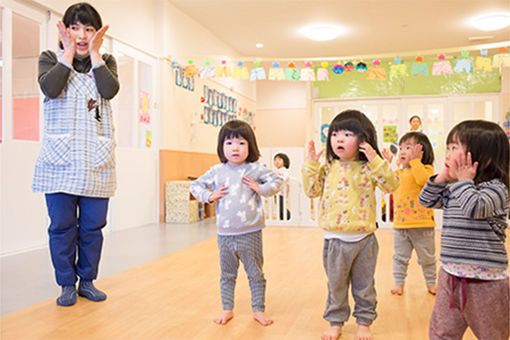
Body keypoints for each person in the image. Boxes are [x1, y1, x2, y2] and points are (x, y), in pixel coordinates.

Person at [32, 3, 119, 307]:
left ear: (98, 33)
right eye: (75, 28)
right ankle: (66, 284)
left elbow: (109, 91)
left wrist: (95, 56)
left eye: (89, 29)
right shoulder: (49, 59)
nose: (82, 35)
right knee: (61, 227)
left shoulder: (105, 62)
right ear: (65, 30)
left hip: (96, 161)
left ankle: (88, 281)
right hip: (60, 161)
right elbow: (51, 89)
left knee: (93, 227)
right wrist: (67, 54)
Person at [302, 110, 399, 340]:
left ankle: (364, 322)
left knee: (364, 285)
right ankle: (335, 321)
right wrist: (310, 164)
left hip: (364, 240)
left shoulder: (369, 167)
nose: (339, 139)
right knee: (336, 285)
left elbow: (391, 186)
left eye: (347, 134)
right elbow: (311, 190)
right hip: (334, 240)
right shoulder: (328, 167)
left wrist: (377, 160)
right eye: (335, 134)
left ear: (363, 139)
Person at [419, 120, 509, 340]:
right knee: (441, 332)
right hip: (450, 275)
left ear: (484, 157)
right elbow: (426, 200)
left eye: (455, 148)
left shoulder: (498, 189)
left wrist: (463, 181)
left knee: (492, 334)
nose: (448, 154)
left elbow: (474, 207)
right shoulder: (454, 187)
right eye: (448, 147)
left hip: (486, 283)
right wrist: (441, 178)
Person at [190, 120, 282, 326]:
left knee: (256, 274)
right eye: (229, 143)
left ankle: (258, 310)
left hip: (251, 232)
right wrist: (210, 196)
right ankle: (227, 309)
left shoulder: (255, 169)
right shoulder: (216, 171)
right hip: (225, 234)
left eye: (241, 143)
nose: (235, 148)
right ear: (222, 147)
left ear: (250, 146)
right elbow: (195, 186)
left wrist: (261, 189)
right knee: (227, 274)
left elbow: (277, 181)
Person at [383, 132, 437, 296]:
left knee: (427, 257)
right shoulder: (399, 173)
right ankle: (399, 283)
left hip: (423, 225)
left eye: (408, 147)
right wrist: (387, 164)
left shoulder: (427, 169)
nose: (402, 152)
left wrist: (415, 162)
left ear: (422, 152)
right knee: (400, 257)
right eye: (400, 148)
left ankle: (431, 283)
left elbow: (423, 181)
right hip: (400, 225)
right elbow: (388, 185)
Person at [273, 153, 291, 220]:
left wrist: (279, 180)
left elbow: (286, 177)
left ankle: (288, 217)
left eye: (279, 160)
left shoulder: (283, 170)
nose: (277, 161)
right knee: (279, 206)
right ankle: (282, 218)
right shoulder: (278, 171)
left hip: (281, 193)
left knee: (281, 206)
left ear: (285, 162)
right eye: (275, 160)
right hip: (277, 192)